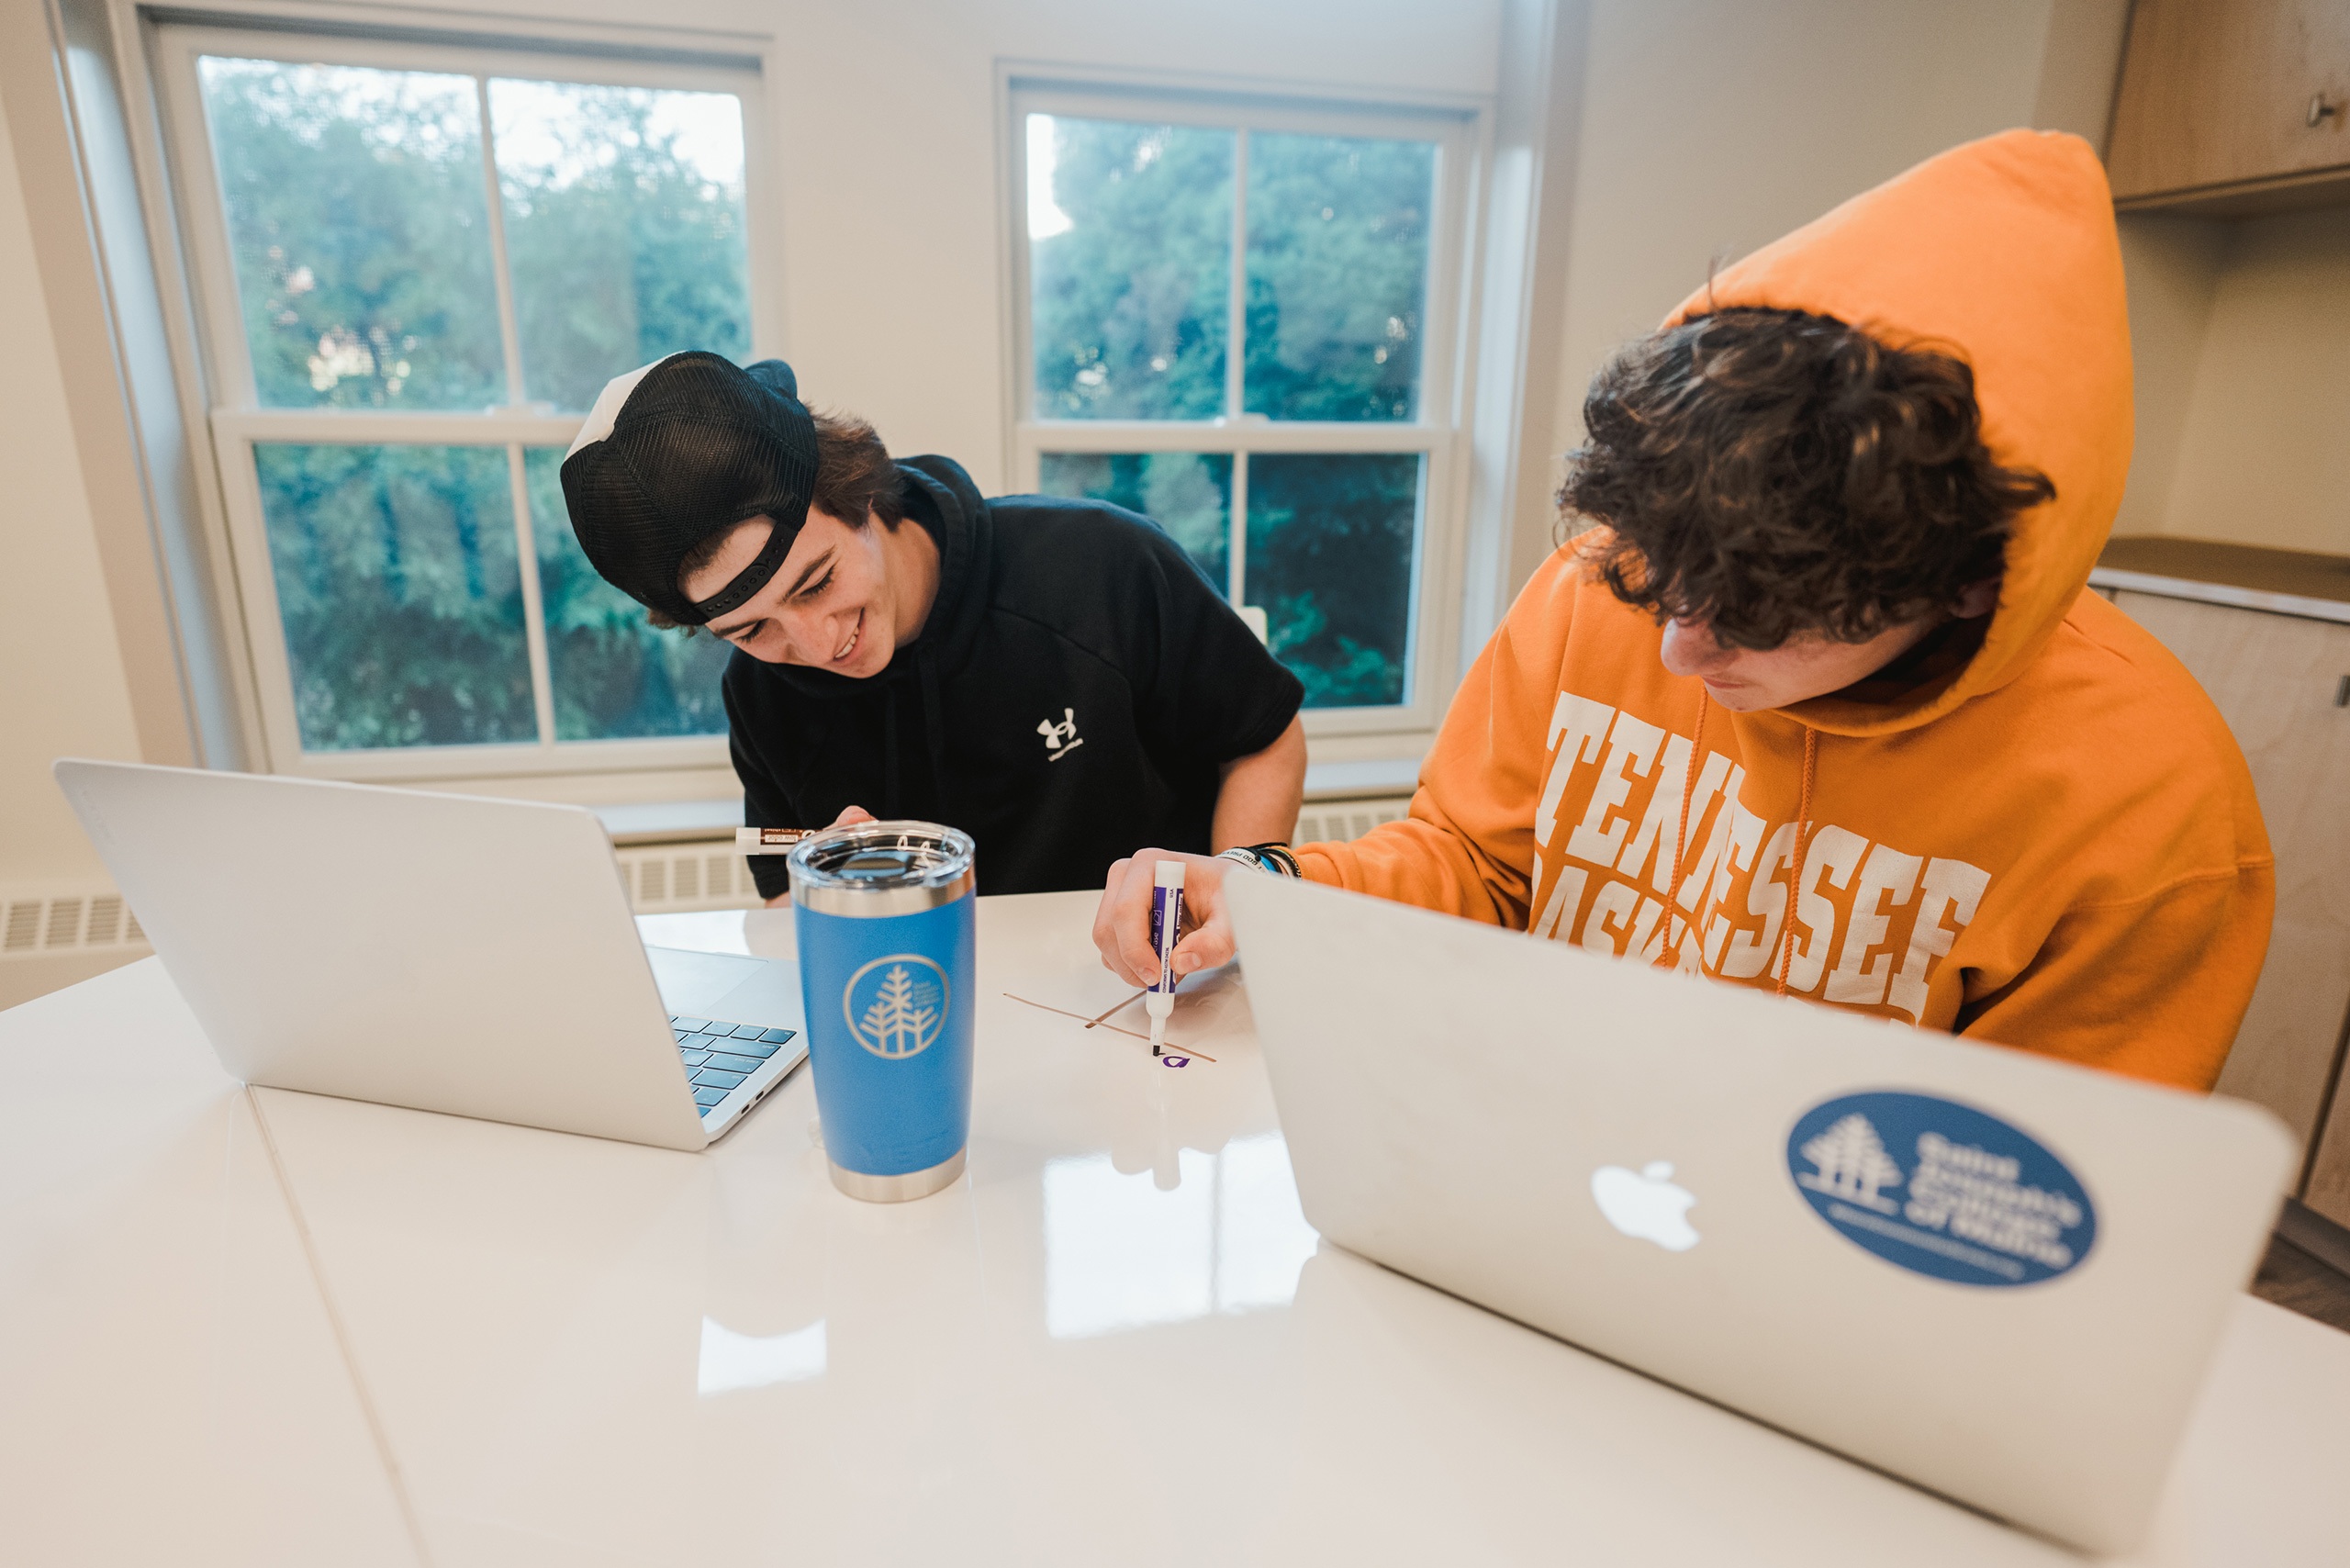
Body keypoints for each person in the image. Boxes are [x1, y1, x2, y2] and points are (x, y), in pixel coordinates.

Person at [1094, 129, 2273, 1092]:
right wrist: (1271, 887)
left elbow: (2035, 1198)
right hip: (1527, 1148)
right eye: (1655, 578)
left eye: (1756, 619)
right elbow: (1473, 862)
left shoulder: (2148, 805)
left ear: (1961, 584)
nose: (1673, 645)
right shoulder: (1591, 588)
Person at [562, 353, 1306, 898]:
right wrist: (827, 889)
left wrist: (1232, 895)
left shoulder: (1099, 564)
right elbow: (785, 898)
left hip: (1149, 1006)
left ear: (856, 494)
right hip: (926, 1022)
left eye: (817, 581)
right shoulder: (761, 691)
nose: (818, 646)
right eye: (753, 630)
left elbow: (1263, 739)